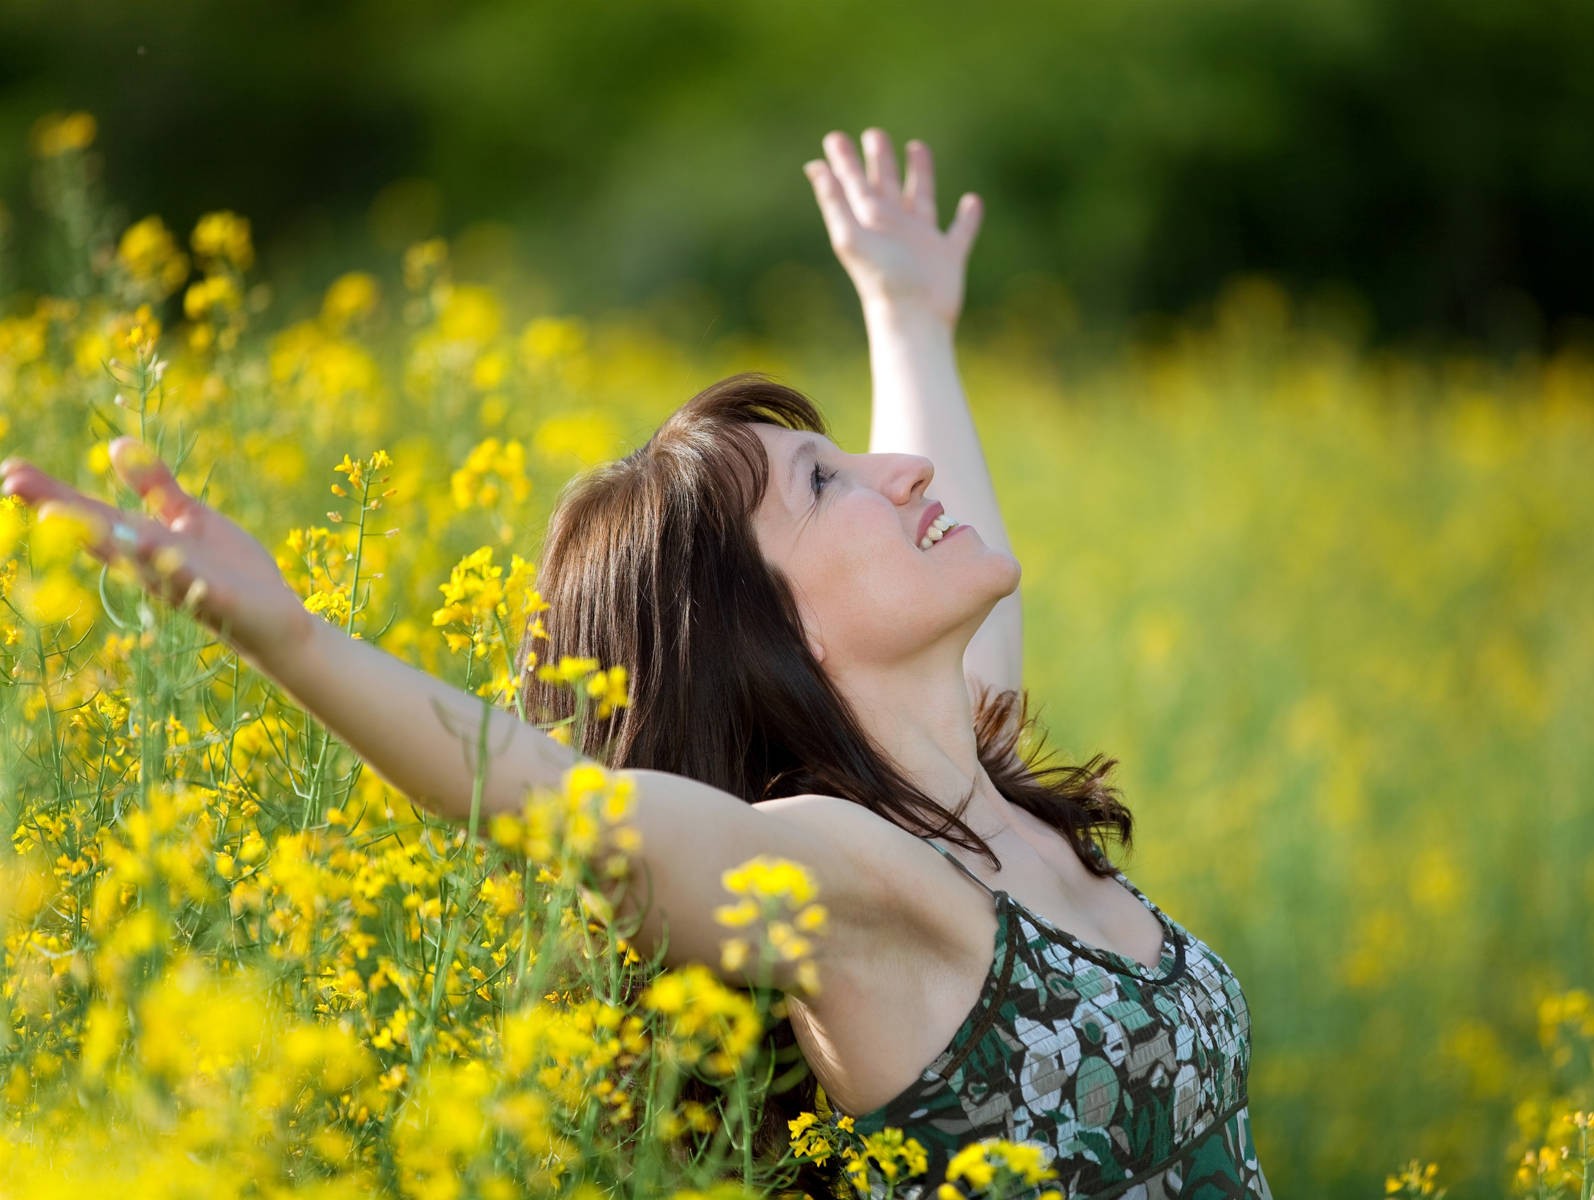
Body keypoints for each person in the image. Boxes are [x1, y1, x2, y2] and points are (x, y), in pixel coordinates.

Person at [0, 128, 1271, 1199]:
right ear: (770, 633)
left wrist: (908, 316)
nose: (907, 473)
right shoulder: (864, 881)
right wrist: (287, 636)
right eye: (830, 484)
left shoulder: (977, 780)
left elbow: (950, 513)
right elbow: (564, 807)